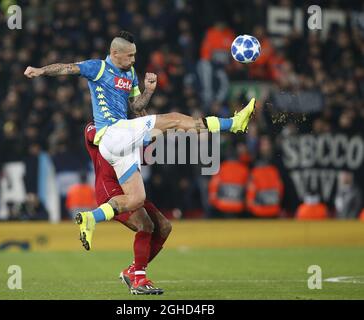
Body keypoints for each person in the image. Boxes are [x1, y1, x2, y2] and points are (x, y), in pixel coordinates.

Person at [24, 30, 255, 291]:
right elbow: (67, 68)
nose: (134, 59)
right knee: (176, 118)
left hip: (121, 143)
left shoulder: (130, 74)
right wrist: (40, 71)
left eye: (135, 55)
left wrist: (148, 90)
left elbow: (136, 107)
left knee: (136, 199)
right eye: (130, 55)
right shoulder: (98, 68)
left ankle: (91, 219)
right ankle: (233, 124)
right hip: (112, 132)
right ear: (115, 53)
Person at [84, 122, 171, 295]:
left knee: (164, 227)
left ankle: (132, 271)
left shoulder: (128, 128)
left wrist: (160, 132)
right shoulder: (92, 127)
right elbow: (101, 139)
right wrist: (139, 133)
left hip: (131, 187)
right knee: (145, 225)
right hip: (111, 189)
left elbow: (145, 156)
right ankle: (139, 279)